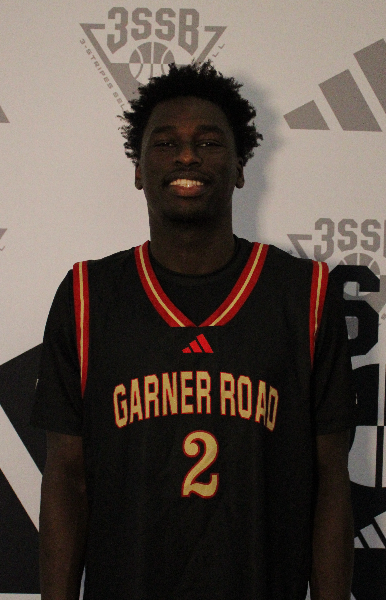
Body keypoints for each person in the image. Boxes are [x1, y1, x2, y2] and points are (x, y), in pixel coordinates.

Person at [32, 61, 355, 600]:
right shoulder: (89, 295)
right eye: (165, 144)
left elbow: (331, 481)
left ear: (240, 167)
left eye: (208, 143)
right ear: (139, 169)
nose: (186, 156)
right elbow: (66, 478)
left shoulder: (305, 295)